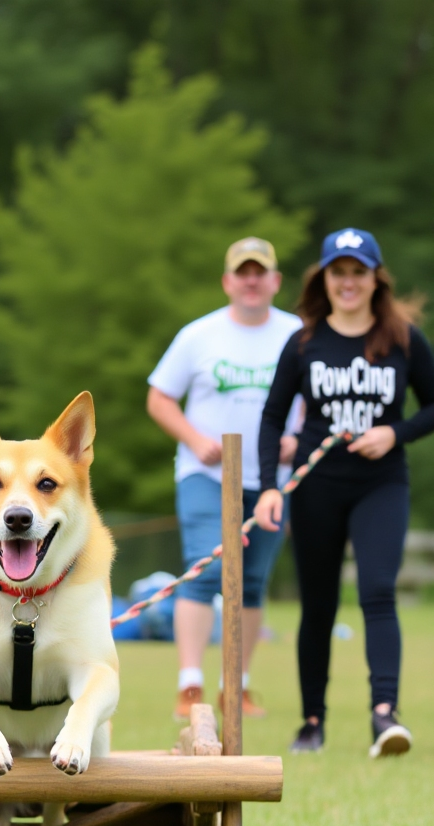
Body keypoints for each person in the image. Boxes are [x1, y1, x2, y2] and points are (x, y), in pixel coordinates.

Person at [255, 228, 434, 758]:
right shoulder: (305, 341)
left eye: (359, 271)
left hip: (381, 484)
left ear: (375, 278)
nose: (349, 282)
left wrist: (393, 433)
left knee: (378, 590)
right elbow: (271, 418)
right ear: (325, 279)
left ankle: (385, 716)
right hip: (315, 486)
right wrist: (269, 487)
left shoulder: (402, 337)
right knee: (319, 605)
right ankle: (313, 723)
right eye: (339, 272)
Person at [147, 237, 302, 721]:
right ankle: (189, 685)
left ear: (276, 281)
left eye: (261, 272)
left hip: (272, 477)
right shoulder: (199, 335)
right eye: (243, 272)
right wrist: (194, 440)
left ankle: (236, 685)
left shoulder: (299, 335)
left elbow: (319, 401)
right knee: (205, 569)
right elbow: (159, 397)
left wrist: (298, 440)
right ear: (228, 281)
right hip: (207, 474)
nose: (251, 280)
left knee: (251, 583)